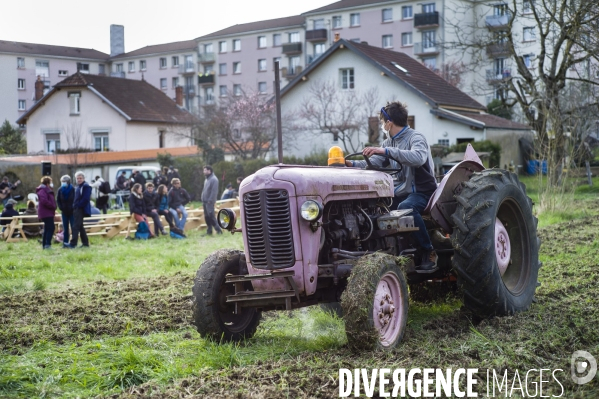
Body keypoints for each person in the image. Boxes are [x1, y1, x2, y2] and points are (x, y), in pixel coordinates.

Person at [346, 101, 438, 271]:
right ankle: (388, 251)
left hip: (422, 192)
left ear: (389, 123)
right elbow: (374, 163)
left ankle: (428, 250)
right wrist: (349, 163)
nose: (382, 125)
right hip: (401, 190)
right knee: (374, 209)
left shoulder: (416, 138)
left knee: (406, 208)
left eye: (382, 122)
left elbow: (418, 158)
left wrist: (385, 151)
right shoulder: (389, 142)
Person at [64, 171, 91, 248]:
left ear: (83, 178)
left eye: (80, 178)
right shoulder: (78, 186)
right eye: (77, 178)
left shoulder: (85, 186)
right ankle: (85, 243)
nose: (79, 179)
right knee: (80, 226)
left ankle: (73, 244)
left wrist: (78, 206)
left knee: (75, 226)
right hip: (76, 208)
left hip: (80, 209)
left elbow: (86, 199)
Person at [36, 176, 57, 249]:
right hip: (46, 212)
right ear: (48, 183)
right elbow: (44, 200)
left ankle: (45, 244)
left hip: (47, 212)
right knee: (51, 228)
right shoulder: (43, 190)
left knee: (47, 228)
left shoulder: (45, 190)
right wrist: (52, 206)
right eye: (50, 182)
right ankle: (48, 244)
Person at [201, 165, 222, 235]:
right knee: (207, 217)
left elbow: (214, 192)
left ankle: (218, 230)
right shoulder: (207, 179)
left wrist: (210, 200)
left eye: (205, 170)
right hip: (205, 201)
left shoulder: (214, 179)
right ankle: (209, 231)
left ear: (209, 171)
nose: (204, 172)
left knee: (211, 216)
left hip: (209, 202)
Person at [56, 175, 75, 243]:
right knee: (65, 228)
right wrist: (60, 207)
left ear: (68, 182)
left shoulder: (73, 189)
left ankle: (73, 241)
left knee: (73, 227)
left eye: (64, 181)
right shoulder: (60, 190)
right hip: (64, 211)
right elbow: (58, 200)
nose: (63, 183)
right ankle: (65, 242)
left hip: (72, 212)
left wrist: (73, 207)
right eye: (62, 181)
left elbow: (75, 199)